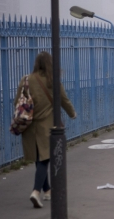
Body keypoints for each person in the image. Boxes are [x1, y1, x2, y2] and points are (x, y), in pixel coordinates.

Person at [14, 51, 76, 208]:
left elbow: (17, 101)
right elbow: (64, 100)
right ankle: (36, 191)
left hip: (28, 126)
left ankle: (47, 190)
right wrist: (72, 114)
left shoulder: (26, 80)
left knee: (39, 157)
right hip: (46, 126)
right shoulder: (52, 81)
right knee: (45, 159)